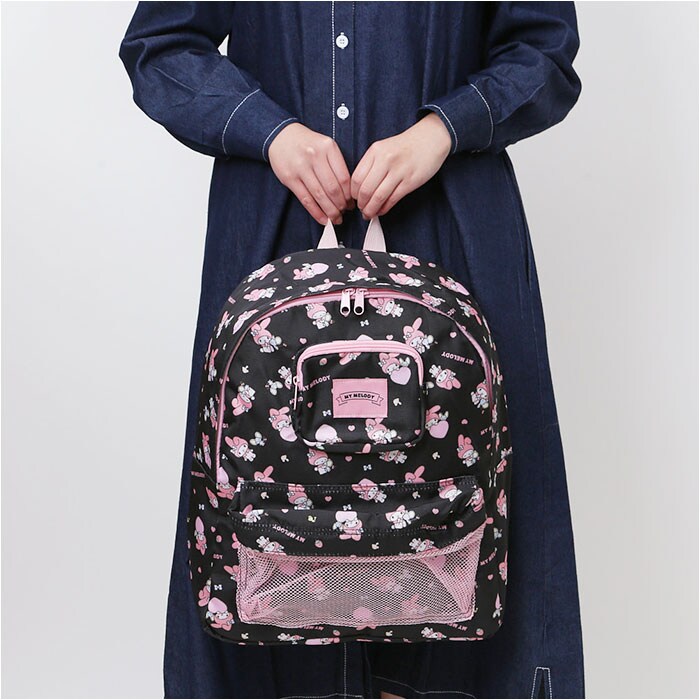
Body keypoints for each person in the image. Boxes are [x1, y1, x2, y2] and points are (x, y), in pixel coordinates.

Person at [119, 3, 584, 698]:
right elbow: (160, 46)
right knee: (261, 509)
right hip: (277, 232)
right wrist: (270, 132)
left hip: (450, 230)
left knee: (465, 510)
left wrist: (443, 129)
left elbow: (544, 49)